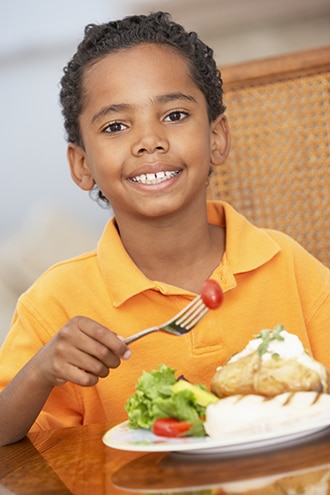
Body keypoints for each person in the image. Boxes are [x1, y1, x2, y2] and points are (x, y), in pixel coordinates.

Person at [0, 11, 329, 447]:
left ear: (216, 138)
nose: (149, 140)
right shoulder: (55, 303)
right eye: (116, 126)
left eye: (174, 115)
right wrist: (41, 372)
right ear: (82, 165)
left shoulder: (286, 264)